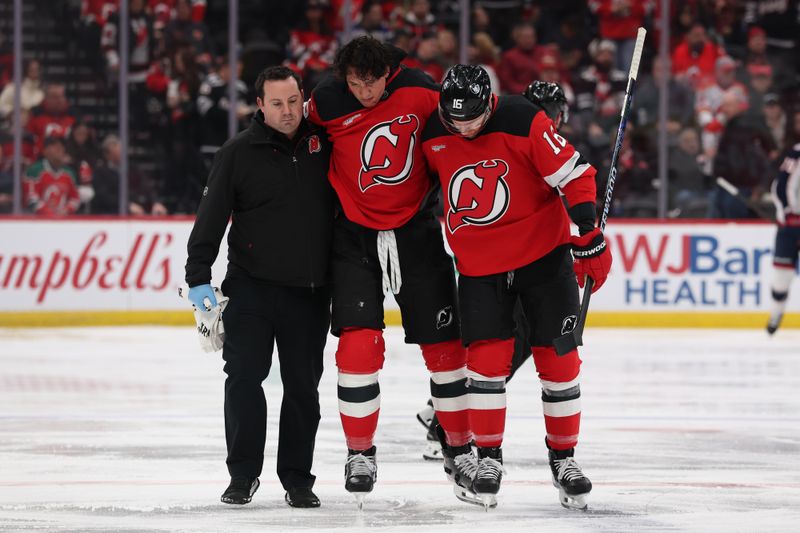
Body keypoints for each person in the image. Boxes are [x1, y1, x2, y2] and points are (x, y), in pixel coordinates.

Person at [421, 65, 611, 510]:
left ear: (490, 104)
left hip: (543, 259)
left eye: (471, 118)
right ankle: (488, 458)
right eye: (455, 120)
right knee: (486, 364)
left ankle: (564, 459)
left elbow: (576, 174)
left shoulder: (525, 119)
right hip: (478, 267)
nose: (463, 127)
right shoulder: (433, 133)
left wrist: (587, 231)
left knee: (559, 361)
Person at [305, 35, 472, 506]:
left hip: (416, 232)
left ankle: (459, 448)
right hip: (353, 236)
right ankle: (360, 453)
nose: (364, 92)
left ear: (388, 73)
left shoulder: (422, 90)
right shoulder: (325, 100)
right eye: (355, 83)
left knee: (446, 347)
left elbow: (463, 136)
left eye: (372, 82)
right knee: (358, 346)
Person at [185, 66, 334, 508]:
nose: (287, 112)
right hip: (249, 289)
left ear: (302, 98)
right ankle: (243, 475)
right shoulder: (237, 152)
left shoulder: (326, 145)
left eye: (293, 102)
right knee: (244, 379)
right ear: (260, 106)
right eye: (277, 104)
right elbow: (210, 216)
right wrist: (198, 277)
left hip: (308, 292)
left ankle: (297, 479)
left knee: (303, 388)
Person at [417, 80, 570, 461]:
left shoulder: (534, 127)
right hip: (497, 261)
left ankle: (445, 416)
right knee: (503, 348)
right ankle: (447, 420)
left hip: (533, 259)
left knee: (518, 348)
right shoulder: (519, 123)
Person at [766, 141, 800, 334]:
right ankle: (775, 315)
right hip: (790, 227)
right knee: (781, 278)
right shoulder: (797, 153)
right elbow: (780, 187)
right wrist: (788, 213)